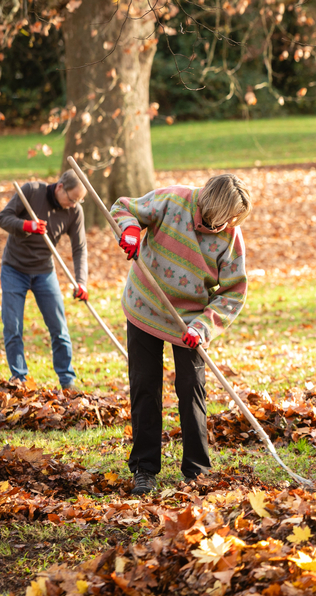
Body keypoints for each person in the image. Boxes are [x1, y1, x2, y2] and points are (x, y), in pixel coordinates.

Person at [111, 174, 252, 495]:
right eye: (223, 219)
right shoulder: (172, 201)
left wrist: (203, 327)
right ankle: (144, 469)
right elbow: (123, 207)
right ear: (207, 205)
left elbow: (233, 292)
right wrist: (131, 231)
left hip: (189, 321)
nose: (227, 225)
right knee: (145, 387)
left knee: (192, 390)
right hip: (145, 304)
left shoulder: (231, 235)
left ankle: (196, 471)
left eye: (233, 220)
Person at [0, 170, 89, 390]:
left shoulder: (75, 211)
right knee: (13, 326)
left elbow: (79, 249)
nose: (73, 204)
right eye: (71, 199)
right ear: (60, 187)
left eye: (78, 200)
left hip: (44, 272)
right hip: (14, 269)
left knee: (59, 327)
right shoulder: (31, 191)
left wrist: (81, 281)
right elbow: (4, 218)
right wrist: (26, 226)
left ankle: (67, 381)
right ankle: (19, 379)